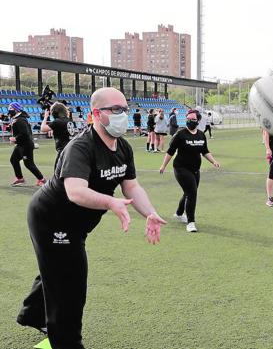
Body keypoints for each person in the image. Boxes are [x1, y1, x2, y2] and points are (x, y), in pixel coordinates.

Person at [16, 87, 166, 349]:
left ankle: (32, 314)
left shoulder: (123, 147)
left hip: (77, 225)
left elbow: (131, 187)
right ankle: (66, 343)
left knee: (56, 270)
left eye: (125, 109)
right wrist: (110, 202)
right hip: (52, 220)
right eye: (116, 110)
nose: (123, 115)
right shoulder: (81, 147)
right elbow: (75, 191)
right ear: (96, 113)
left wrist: (150, 212)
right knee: (70, 286)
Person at [159, 109, 220, 233]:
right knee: (192, 193)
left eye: (193, 119)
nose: (190, 121)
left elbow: (205, 151)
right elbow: (170, 151)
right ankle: (191, 222)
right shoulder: (180, 134)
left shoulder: (201, 135)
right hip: (181, 168)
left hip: (195, 170)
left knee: (188, 192)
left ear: (198, 121)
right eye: (188, 119)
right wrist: (163, 165)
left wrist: (213, 161)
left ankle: (179, 213)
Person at [7, 102, 46, 187]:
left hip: (26, 145)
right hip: (20, 145)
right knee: (14, 160)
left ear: (16, 109)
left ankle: (42, 179)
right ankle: (20, 178)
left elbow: (25, 134)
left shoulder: (20, 120)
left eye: (11, 108)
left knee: (28, 164)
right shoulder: (17, 118)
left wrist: (15, 139)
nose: (9, 110)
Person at [40, 102, 76, 170]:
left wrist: (45, 117)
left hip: (63, 150)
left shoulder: (58, 121)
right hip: (72, 148)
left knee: (57, 171)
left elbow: (43, 129)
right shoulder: (69, 120)